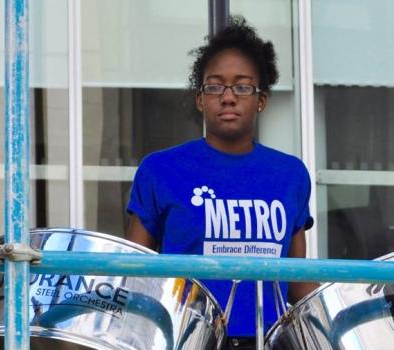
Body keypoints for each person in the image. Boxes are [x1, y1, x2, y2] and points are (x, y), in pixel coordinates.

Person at [126, 16, 316, 349]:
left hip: (266, 341)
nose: (228, 97)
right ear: (200, 98)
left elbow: (297, 284)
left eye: (242, 86)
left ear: (261, 99)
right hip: (185, 341)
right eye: (215, 86)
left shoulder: (291, 175)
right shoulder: (159, 170)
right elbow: (133, 276)